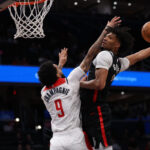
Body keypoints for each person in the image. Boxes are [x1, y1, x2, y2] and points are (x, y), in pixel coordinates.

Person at [38, 17, 121, 150]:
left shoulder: (43, 92)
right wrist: (107, 30)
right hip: (74, 138)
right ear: (56, 74)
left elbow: (55, 82)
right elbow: (90, 55)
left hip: (56, 141)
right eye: (56, 68)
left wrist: (60, 65)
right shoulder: (72, 81)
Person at [80, 16, 150, 150]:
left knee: (103, 147)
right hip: (94, 109)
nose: (105, 38)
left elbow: (99, 84)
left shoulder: (104, 55)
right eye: (106, 36)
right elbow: (138, 56)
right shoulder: (117, 62)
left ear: (117, 45)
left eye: (110, 37)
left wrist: (77, 84)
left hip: (94, 109)